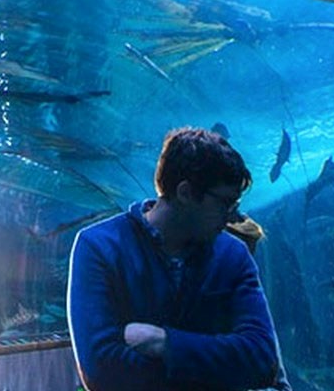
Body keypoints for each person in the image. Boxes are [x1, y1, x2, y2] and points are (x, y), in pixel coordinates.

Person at [67, 126, 290, 391]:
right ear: (185, 193)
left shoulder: (233, 254)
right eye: (225, 203)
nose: (232, 217)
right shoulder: (99, 246)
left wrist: (164, 342)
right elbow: (101, 372)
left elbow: (262, 359)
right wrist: (218, 367)